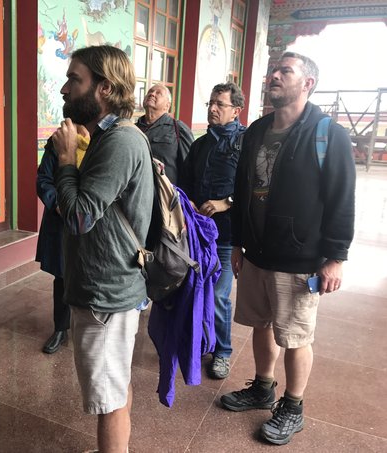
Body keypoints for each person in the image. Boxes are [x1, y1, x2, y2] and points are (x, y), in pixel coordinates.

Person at [221, 52, 355, 445]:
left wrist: (336, 257)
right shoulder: (257, 130)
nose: (274, 76)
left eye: (286, 71)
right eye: (273, 70)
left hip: (299, 257)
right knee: (260, 324)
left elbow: (342, 199)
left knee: (295, 336)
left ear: (307, 83)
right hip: (256, 251)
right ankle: (263, 387)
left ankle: (293, 406)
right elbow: (242, 189)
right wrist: (238, 242)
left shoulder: (328, 134)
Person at [52, 45, 153, 453]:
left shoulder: (119, 141)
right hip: (105, 287)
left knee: (108, 399)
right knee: (115, 385)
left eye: (74, 80)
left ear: (105, 88)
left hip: (106, 295)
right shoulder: (104, 137)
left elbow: (78, 216)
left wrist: (65, 160)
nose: (64, 89)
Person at [179, 82, 246, 380]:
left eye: (220, 104)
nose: (213, 109)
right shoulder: (200, 144)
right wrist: (190, 202)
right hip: (198, 234)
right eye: (211, 103)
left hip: (226, 236)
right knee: (194, 290)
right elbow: (185, 182)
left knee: (219, 296)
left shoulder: (246, 143)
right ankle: (198, 341)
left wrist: (226, 202)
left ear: (236, 110)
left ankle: (222, 351)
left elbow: (255, 187)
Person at [36, 128, 89, 354]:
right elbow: (43, 179)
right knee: (63, 275)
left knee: (92, 275)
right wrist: (58, 204)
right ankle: (60, 328)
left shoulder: (105, 139)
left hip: (94, 219)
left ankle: (89, 329)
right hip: (62, 220)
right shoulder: (58, 140)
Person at [136, 83, 194, 184]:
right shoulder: (133, 129)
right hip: (136, 190)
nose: (152, 94)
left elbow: (189, 167)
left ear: (167, 105)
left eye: (158, 93)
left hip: (164, 192)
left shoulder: (178, 128)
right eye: (150, 92)